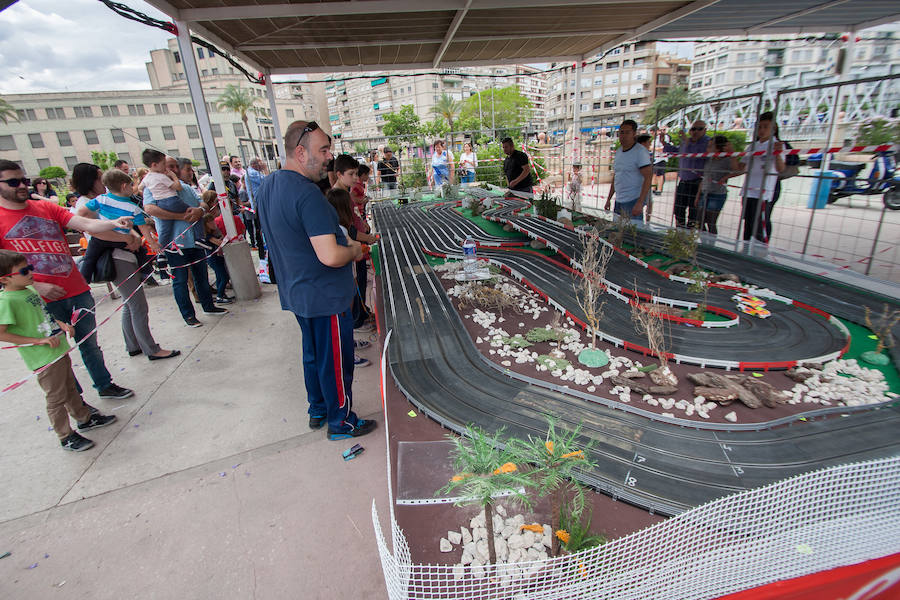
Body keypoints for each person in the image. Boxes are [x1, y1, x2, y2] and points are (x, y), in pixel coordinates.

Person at [255, 120, 376, 440]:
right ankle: (341, 422)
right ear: (299, 152)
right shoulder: (308, 195)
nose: (329, 157)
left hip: (297, 293)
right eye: (323, 150)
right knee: (336, 362)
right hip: (325, 295)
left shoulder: (267, 186)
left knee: (313, 354)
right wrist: (355, 250)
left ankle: (318, 408)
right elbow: (330, 255)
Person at [0, 159, 135, 400]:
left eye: (24, 180)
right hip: (38, 300)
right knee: (57, 354)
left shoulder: (44, 207)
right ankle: (78, 404)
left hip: (75, 288)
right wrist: (36, 284)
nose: (21, 185)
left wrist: (112, 223)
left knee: (90, 343)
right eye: (13, 182)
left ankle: (104, 385)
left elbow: (82, 222)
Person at [0, 250, 119, 451]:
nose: (30, 272)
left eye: (30, 267)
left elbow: (43, 314)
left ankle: (84, 418)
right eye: (24, 270)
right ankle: (65, 436)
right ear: (5, 279)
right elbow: (2, 333)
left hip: (58, 350)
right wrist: (37, 341)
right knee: (56, 397)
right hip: (44, 359)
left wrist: (61, 324)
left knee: (70, 387)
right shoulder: (7, 301)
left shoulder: (29, 291)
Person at [76, 169, 180, 361]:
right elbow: (86, 222)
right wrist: (129, 237)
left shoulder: (102, 201)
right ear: (124, 186)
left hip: (122, 255)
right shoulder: (111, 204)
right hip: (118, 257)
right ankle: (151, 349)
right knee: (138, 305)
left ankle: (133, 344)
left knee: (130, 302)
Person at [143, 157, 228, 327]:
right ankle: (188, 315)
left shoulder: (187, 188)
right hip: (175, 245)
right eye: (170, 166)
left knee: (201, 276)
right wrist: (180, 216)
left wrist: (200, 210)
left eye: (177, 167)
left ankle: (208, 305)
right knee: (180, 281)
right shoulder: (151, 188)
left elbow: (201, 202)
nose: (175, 170)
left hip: (194, 241)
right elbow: (150, 209)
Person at [326, 187, 373, 367]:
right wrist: (357, 249)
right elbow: (357, 253)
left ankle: (349, 345)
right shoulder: (342, 231)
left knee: (345, 319)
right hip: (343, 282)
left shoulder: (334, 228)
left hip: (343, 280)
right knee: (344, 319)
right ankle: (348, 355)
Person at [738, 112, 784, 243]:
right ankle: (746, 250)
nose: (762, 130)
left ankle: (761, 251)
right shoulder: (752, 146)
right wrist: (731, 153)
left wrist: (778, 154)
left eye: (766, 127)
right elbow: (740, 166)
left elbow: (781, 169)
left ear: (773, 128)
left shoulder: (777, 145)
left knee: (761, 223)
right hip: (748, 191)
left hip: (764, 192)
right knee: (748, 223)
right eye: (759, 127)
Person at [660, 120, 710, 228]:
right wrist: (664, 143)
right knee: (678, 209)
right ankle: (679, 232)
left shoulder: (707, 142)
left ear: (705, 130)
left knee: (694, 212)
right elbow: (677, 151)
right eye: (693, 129)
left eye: (699, 129)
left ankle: (691, 235)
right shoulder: (686, 142)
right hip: (684, 180)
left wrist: (687, 142)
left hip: (697, 182)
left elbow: (695, 153)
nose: (695, 132)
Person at [605, 119, 652, 221]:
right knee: (617, 232)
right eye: (621, 132)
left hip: (633, 201)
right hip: (619, 201)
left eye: (627, 132)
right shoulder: (618, 152)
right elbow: (616, 176)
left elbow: (648, 177)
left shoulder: (640, 152)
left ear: (634, 134)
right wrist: (609, 199)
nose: (624, 136)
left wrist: (640, 202)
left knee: (631, 234)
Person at [694, 135, 738, 235]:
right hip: (705, 192)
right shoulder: (709, 160)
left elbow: (738, 170)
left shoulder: (726, 160)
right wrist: (698, 195)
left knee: (711, 222)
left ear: (718, 148)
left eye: (710, 146)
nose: (707, 149)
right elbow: (704, 178)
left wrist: (725, 178)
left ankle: (711, 244)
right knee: (699, 221)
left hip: (717, 194)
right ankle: (704, 242)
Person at [243, 157, 266, 257]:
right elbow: (268, 180)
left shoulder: (253, 172)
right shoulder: (251, 173)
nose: (262, 164)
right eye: (260, 162)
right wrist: (265, 170)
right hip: (259, 205)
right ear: (254, 164)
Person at [649, 127, 667, 195]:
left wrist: (654, 149)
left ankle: (659, 189)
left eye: (653, 133)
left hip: (661, 158)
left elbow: (664, 148)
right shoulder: (654, 139)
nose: (652, 134)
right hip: (655, 159)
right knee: (654, 174)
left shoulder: (663, 138)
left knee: (660, 175)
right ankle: (653, 188)